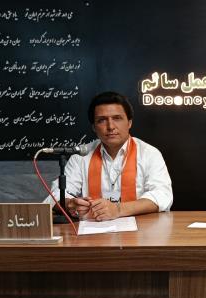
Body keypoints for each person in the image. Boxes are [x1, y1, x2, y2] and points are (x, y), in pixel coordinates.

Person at [47, 91, 172, 220]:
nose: (110, 126)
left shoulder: (149, 154)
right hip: (92, 228)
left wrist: (118, 209)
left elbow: (162, 195)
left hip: (141, 229)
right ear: (94, 127)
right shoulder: (81, 156)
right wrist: (70, 204)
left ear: (129, 123)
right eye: (102, 120)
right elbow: (54, 196)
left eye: (117, 118)